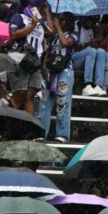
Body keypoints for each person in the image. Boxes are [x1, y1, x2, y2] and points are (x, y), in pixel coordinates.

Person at [36, 8, 77, 143]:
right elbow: (49, 30)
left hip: (65, 71)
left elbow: (65, 43)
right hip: (52, 72)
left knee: (63, 102)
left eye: (62, 20)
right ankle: (42, 132)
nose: (59, 22)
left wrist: (58, 28)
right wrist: (47, 12)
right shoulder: (54, 37)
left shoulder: (73, 35)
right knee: (45, 102)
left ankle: (63, 135)